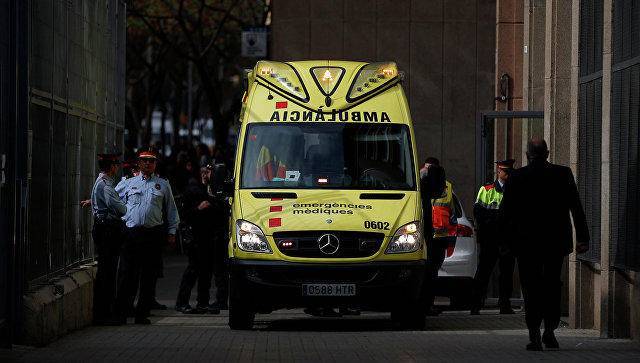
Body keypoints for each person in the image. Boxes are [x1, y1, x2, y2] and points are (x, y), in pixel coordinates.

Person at [500, 139, 590, 351]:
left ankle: (534, 336)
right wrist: (583, 238)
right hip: (555, 242)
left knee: (530, 287)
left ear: (527, 154)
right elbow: (575, 206)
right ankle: (549, 331)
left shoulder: (518, 176)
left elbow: (506, 213)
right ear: (547, 153)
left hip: (526, 243)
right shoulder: (562, 174)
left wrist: (505, 242)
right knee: (551, 285)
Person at [115, 149, 180, 324]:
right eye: (144, 161)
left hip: (152, 234)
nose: (148, 164)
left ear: (155, 164)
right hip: (132, 234)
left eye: (151, 161)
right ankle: (122, 312)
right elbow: (112, 199)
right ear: (139, 163)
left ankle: (141, 314)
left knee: (148, 276)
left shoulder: (162, 185)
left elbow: (171, 211)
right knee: (128, 275)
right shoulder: (128, 183)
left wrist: (172, 232)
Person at [470, 159, 516, 315]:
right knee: (484, 272)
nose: (508, 175)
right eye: (506, 172)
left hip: (507, 240)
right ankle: (476, 304)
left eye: (510, 172)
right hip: (490, 239)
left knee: (507, 274)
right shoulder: (487, 189)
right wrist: (497, 219)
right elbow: (478, 212)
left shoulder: (515, 190)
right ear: (499, 171)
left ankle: (505, 304)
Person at [89, 152, 127, 325]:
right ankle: (103, 314)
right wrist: (126, 205)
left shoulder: (102, 182)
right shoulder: (106, 185)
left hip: (104, 230)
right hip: (107, 231)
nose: (117, 167)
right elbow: (120, 209)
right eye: (116, 165)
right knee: (108, 273)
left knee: (107, 271)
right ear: (111, 167)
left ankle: (103, 313)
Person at [175, 165, 218, 314]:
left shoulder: (211, 189)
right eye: (204, 172)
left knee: (205, 271)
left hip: (207, 236)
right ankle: (182, 302)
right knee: (193, 269)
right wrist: (198, 209)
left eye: (209, 172)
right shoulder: (193, 191)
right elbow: (184, 214)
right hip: (196, 236)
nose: (206, 175)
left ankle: (203, 303)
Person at [419, 157, 447, 316]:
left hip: (437, 236)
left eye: (432, 170)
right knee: (426, 272)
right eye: (427, 169)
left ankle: (427, 304)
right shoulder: (415, 182)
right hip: (423, 234)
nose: (429, 173)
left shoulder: (442, 185)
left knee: (431, 272)